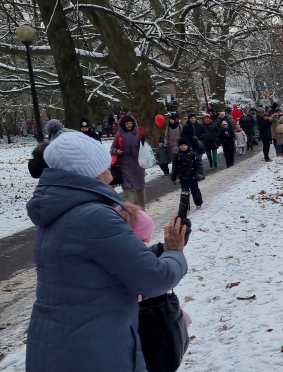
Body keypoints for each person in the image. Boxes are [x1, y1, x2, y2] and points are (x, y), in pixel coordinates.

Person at [25, 131, 188, 372]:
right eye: (104, 161)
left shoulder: (59, 211)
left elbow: (101, 263)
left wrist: (161, 249)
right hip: (95, 350)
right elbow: (153, 279)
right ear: (91, 169)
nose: (111, 165)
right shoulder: (94, 216)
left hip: (57, 346)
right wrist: (175, 252)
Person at [110, 114, 147, 208]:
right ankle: (130, 212)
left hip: (137, 165)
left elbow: (145, 147)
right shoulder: (119, 135)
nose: (129, 125)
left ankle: (142, 211)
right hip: (124, 165)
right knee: (127, 188)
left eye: (131, 123)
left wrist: (143, 141)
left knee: (140, 189)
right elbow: (112, 148)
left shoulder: (139, 133)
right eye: (127, 123)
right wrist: (117, 151)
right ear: (123, 125)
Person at [171, 137, 204, 208]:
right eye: (182, 145)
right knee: (185, 192)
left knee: (195, 190)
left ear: (187, 145)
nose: (183, 147)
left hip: (193, 176)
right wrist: (173, 177)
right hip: (183, 177)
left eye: (185, 145)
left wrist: (200, 172)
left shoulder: (192, 154)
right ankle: (185, 206)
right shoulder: (177, 156)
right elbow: (174, 168)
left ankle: (198, 203)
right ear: (179, 146)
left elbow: (198, 163)